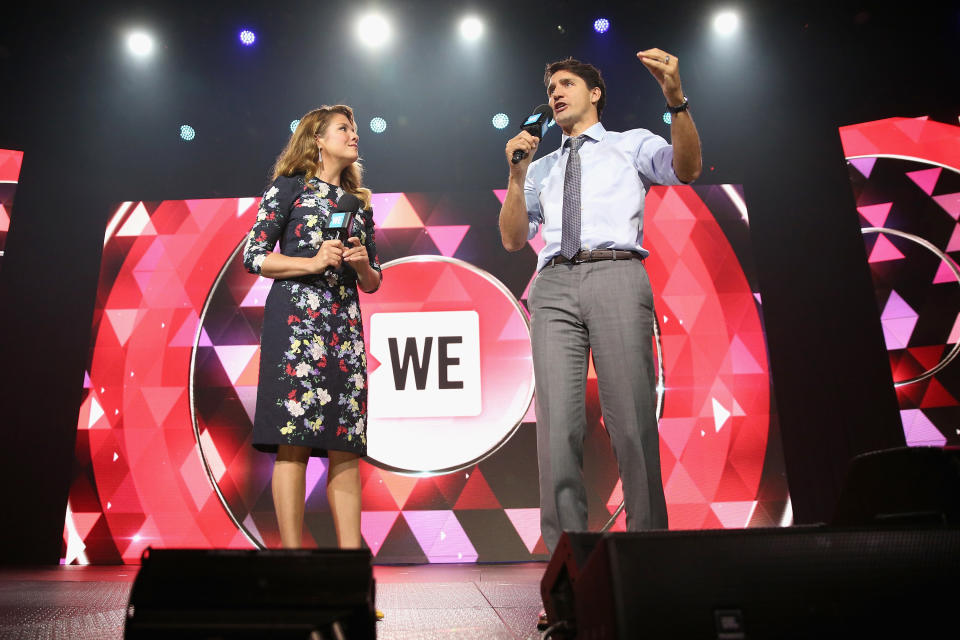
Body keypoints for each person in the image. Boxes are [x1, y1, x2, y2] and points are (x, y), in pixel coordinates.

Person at [499, 52, 702, 564]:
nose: (555, 94)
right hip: (553, 286)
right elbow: (512, 238)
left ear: (595, 94)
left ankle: (649, 563)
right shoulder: (541, 166)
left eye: (566, 83)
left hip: (615, 272)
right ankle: (569, 573)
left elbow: (688, 168)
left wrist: (675, 100)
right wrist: (517, 177)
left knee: (631, 421)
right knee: (557, 431)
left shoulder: (631, 143)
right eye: (550, 89)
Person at [243, 105, 381, 554]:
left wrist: (363, 266)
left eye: (355, 129)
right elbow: (255, 255)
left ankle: (350, 572)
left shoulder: (358, 201)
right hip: (297, 328)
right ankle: (293, 566)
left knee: (345, 445)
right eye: (344, 128)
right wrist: (312, 262)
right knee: (293, 442)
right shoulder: (288, 189)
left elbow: (374, 280)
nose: (354, 134)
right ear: (318, 139)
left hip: (344, 330)